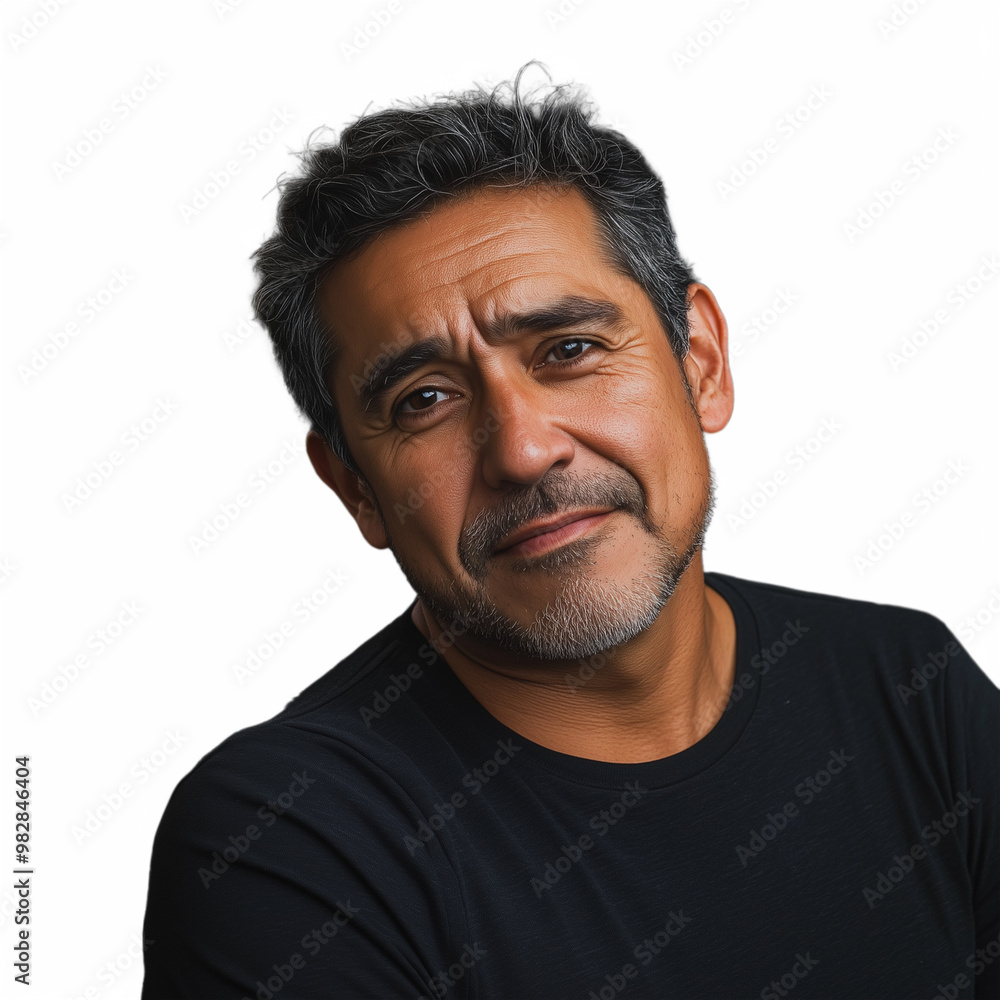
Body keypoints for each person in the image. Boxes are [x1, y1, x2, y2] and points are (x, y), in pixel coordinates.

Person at [141, 65, 999, 999]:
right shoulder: (287, 840)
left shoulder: (907, 685)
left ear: (701, 362)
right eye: (424, 399)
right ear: (357, 488)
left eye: (570, 349)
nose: (523, 450)